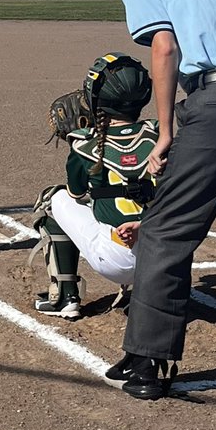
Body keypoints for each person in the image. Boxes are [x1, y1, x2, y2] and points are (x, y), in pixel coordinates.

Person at [106, 0, 216, 400]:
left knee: (166, 229)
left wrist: (165, 131)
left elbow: (164, 47)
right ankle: (139, 350)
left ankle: (149, 359)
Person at [32, 54, 158, 320]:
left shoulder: (84, 143)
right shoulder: (161, 134)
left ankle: (65, 297)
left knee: (53, 200)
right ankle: (151, 294)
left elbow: (76, 193)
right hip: (164, 257)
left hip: (116, 258)